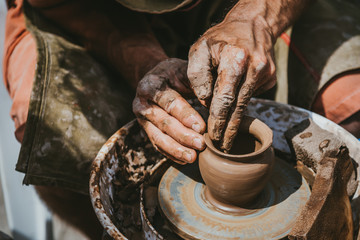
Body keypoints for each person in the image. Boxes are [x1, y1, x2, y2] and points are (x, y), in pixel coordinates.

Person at [3, 0, 360, 238]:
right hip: (94, 8)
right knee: (58, 135)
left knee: (349, 106)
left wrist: (258, 17)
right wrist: (141, 63)